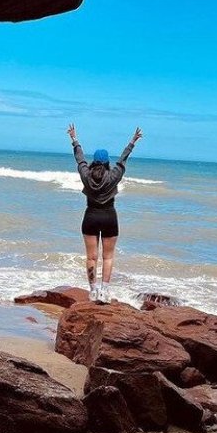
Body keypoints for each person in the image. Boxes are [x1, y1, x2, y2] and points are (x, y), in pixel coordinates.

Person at [67, 124, 142, 303]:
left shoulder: (86, 174)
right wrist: (132, 141)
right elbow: (123, 160)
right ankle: (104, 292)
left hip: (91, 217)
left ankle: (93, 291)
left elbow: (80, 160)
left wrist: (74, 139)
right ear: (107, 162)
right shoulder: (113, 175)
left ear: (94, 161)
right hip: (109, 217)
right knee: (107, 257)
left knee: (91, 257)